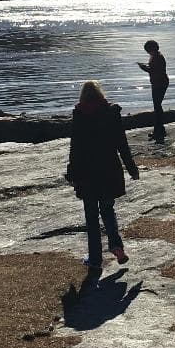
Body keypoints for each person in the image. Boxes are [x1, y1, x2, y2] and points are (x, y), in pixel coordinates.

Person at [66, 80, 139, 274]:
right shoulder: (111, 113)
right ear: (100, 94)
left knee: (91, 216)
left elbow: (75, 148)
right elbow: (122, 144)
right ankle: (117, 246)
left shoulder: (79, 115)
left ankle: (95, 259)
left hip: (86, 173)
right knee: (108, 210)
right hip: (108, 170)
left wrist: (71, 171)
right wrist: (132, 168)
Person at [137, 39, 169, 143]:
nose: (147, 53)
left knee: (157, 107)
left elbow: (153, 70)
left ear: (151, 49)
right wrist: (146, 66)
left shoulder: (157, 57)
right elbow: (153, 68)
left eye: (148, 50)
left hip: (159, 84)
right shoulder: (156, 56)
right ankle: (160, 129)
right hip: (159, 83)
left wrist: (143, 67)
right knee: (158, 106)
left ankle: (158, 131)